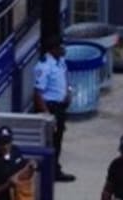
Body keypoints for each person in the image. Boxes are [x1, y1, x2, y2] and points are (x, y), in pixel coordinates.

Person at [32, 35, 75, 182]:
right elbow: (38, 93)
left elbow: (65, 77)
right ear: (53, 49)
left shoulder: (60, 60)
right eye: (61, 47)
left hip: (60, 107)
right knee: (51, 142)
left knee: (58, 140)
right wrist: (47, 115)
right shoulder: (44, 66)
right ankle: (50, 173)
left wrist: (68, 92)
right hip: (51, 108)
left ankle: (55, 169)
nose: (64, 49)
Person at [0, 126, 36, 200]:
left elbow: (23, 168)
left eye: (7, 142)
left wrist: (31, 166)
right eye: (2, 143)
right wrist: (7, 184)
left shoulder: (15, 151)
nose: (5, 146)